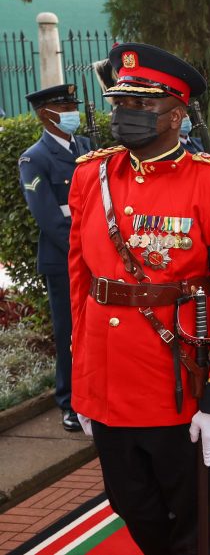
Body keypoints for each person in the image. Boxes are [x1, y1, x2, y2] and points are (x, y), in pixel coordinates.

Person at [69, 43, 210, 553]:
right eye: (120, 104)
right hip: (107, 380)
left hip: (177, 384)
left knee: (192, 519)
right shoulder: (93, 175)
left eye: (141, 106)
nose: (124, 116)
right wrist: (81, 375)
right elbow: (79, 280)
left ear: (176, 115)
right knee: (128, 501)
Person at [19, 83, 93, 432]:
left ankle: (94, 392)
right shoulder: (34, 158)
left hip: (96, 254)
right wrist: (86, 250)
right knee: (69, 330)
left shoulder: (87, 147)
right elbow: (48, 217)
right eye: (62, 107)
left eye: (71, 105)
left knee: (96, 327)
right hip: (65, 259)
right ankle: (68, 400)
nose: (70, 112)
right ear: (44, 113)